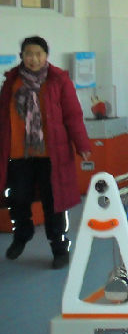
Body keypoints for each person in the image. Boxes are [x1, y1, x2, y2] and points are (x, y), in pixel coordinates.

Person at [0, 36, 92, 268]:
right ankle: (23, 233)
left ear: (46, 56)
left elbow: (73, 115)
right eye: (29, 54)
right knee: (17, 197)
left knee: (54, 203)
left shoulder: (58, 80)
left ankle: (59, 247)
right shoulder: (12, 81)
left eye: (38, 54)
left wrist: (82, 145)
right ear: (22, 56)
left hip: (52, 155)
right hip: (19, 153)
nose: (34, 59)